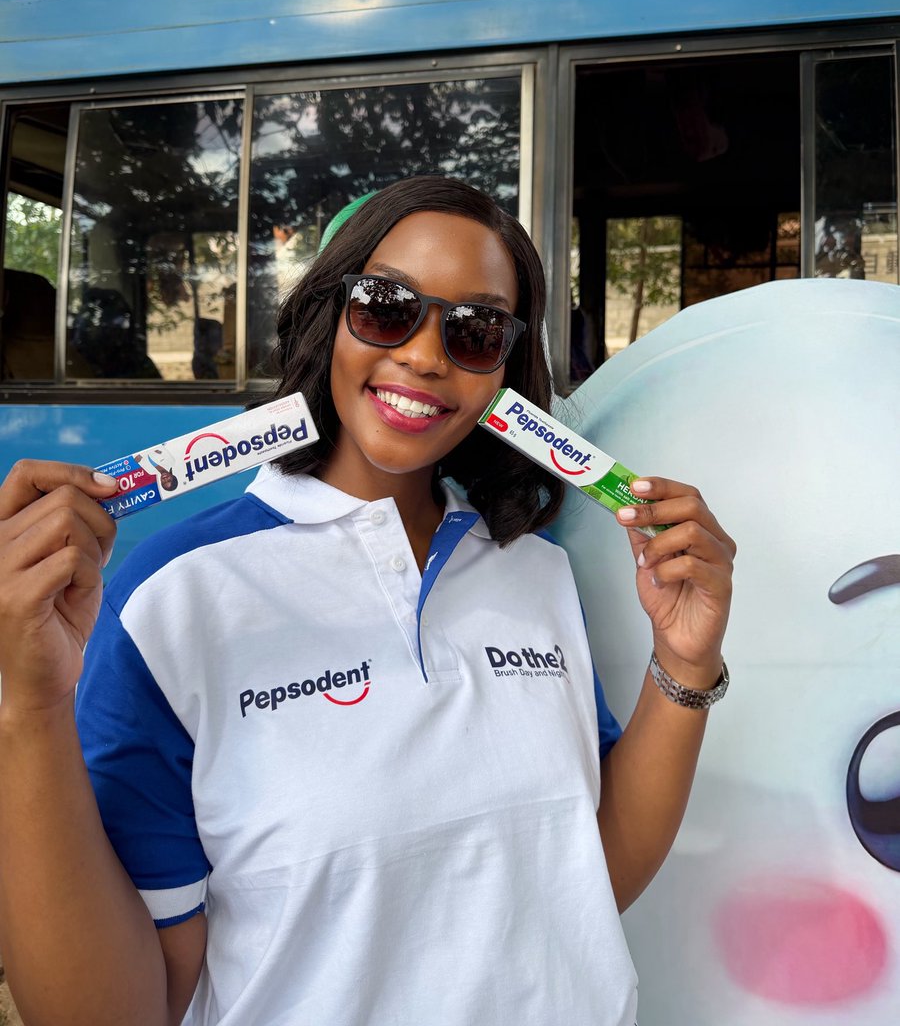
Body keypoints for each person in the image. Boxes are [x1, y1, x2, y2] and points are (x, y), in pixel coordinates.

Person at [0, 176, 735, 1026]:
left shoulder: (537, 572)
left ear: (505, 369)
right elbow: (117, 1008)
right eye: (387, 307)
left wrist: (685, 664)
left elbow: (583, 874)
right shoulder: (174, 595)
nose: (427, 355)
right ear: (327, 315)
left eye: (476, 329)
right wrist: (28, 707)